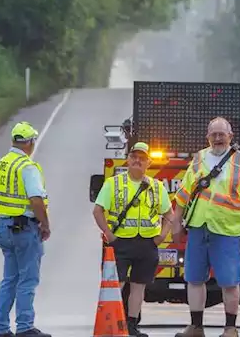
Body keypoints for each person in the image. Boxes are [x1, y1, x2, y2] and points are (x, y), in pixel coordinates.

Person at [167, 117, 240, 337]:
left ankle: (230, 329)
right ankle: (196, 327)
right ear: (207, 137)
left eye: (222, 134)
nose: (218, 138)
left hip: (228, 231)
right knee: (194, 278)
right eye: (214, 134)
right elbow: (184, 193)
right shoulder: (199, 158)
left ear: (231, 136)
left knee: (230, 282)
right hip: (199, 227)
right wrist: (176, 223)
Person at [91, 141, 172, 337]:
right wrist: (109, 235)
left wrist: (160, 237)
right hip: (121, 243)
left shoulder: (156, 186)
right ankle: (111, 323)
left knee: (138, 286)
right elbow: (98, 210)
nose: (137, 161)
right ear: (128, 160)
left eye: (142, 158)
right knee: (115, 285)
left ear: (148, 163)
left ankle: (132, 326)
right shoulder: (114, 183)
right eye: (134, 157)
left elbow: (169, 214)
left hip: (147, 243)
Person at [0, 121, 52, 337]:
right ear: (30, 142)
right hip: (24, 229)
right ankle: (25, 326)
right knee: (28, 279)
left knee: (9, 279)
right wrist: (45, 224)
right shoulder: (27, 167)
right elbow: (36, 199)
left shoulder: (2, 164)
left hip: (3, 226)